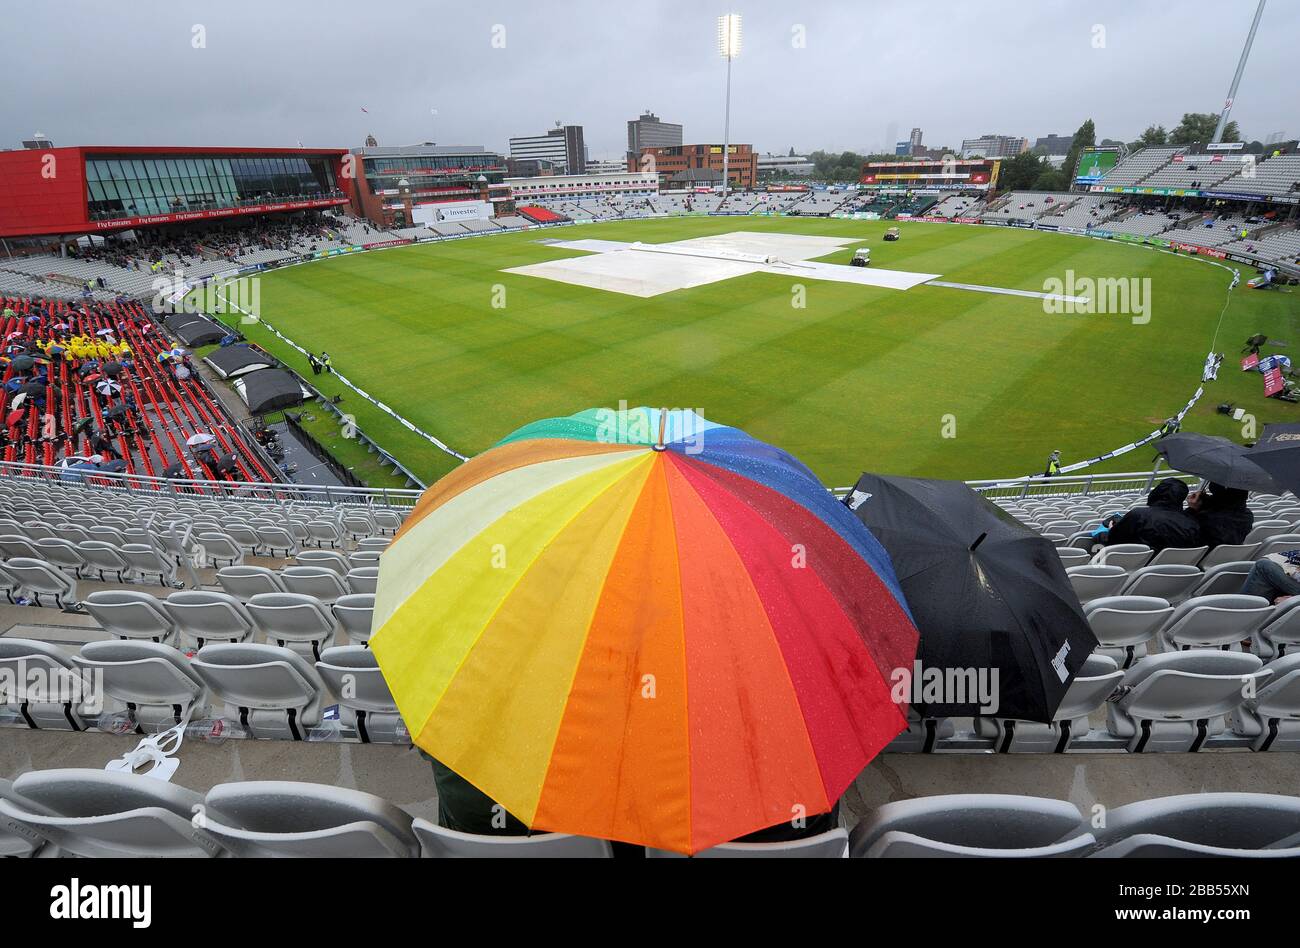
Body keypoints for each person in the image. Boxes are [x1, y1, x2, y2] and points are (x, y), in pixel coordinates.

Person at [1102, 478, 1200, 552]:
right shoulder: (1191, 522)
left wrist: (1111, 531)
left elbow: (1114, 540)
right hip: (1171, 570)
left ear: (1157, 492)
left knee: (1097, 536)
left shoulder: (1138, 515)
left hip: (1136, 565)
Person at [1188, 482, 1254, 549]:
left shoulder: (1206, 518)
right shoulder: (1248, 515)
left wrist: (1192, 508)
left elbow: (1184, 528)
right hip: (1233, 556)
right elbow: (1226, 503)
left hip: (1206, 556)